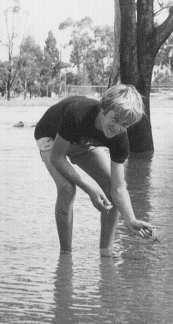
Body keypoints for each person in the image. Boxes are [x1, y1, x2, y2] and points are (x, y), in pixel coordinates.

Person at [35, 84, 154, 256]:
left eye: (125, 125)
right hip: (51, 137)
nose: (118, 128)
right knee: (67, 188)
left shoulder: (119, 138)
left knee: (109, 189)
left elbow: (119, 187)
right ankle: (66, 256)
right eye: (115, 119)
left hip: (83, 141)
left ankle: (106, 252)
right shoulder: (77, 113)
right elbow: (57, 158)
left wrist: (130, 218)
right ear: (103, 108)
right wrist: (89, 187)